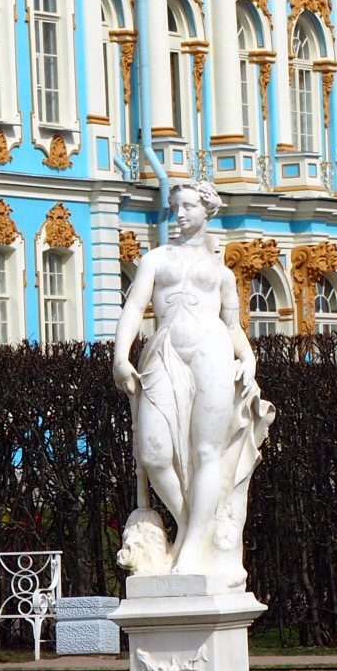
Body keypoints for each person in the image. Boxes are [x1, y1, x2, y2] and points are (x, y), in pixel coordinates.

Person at [112, 180, 274, 589]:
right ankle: (190, 527)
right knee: (153, 453)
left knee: (206, 452)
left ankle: (190, 551)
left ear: (207, 211)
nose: (180, 214)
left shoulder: (222, 273)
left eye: (188, 207)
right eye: (176, 207)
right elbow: (134, 306)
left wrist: (249, 358)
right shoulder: (155, 260)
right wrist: (120, 356)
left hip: (211, 351)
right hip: (163, 351)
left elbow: (232, 326)